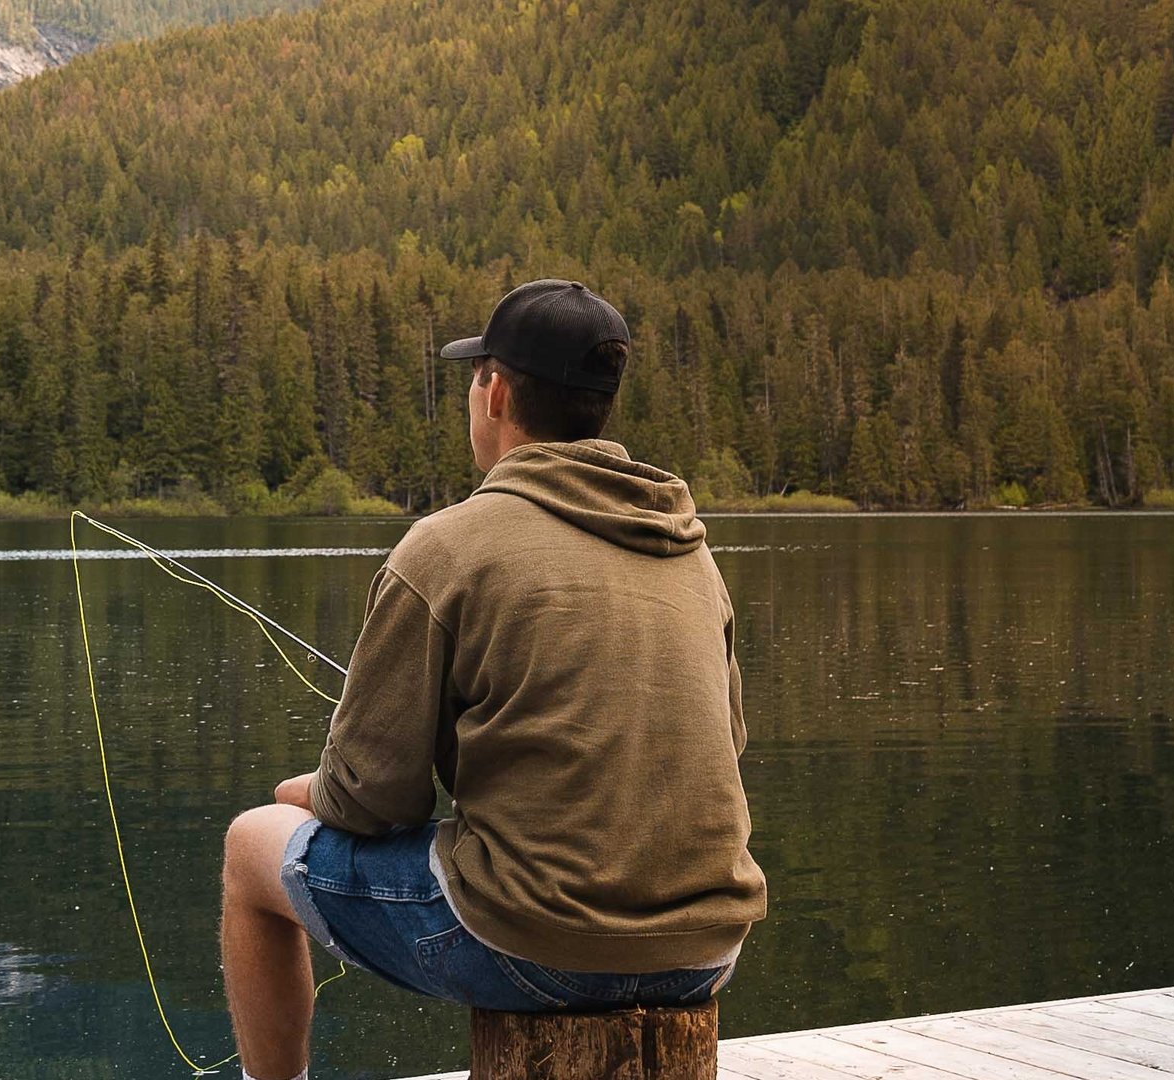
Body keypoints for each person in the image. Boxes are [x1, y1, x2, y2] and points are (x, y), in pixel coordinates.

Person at [219, 279, 768, 1080]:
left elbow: (375, 801)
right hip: (708, 948)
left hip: (532, 947)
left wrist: (311, 790)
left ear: (497, 391)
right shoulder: (690, 548)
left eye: (476, 375)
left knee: (249, 846)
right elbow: (728, 743)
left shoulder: (445, 550)